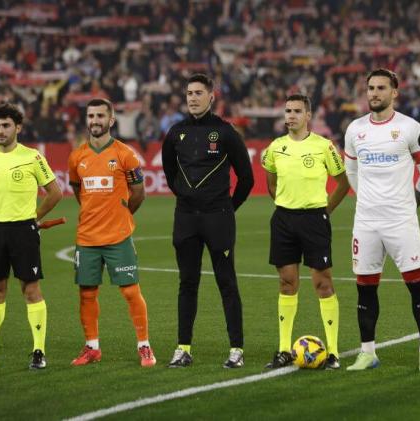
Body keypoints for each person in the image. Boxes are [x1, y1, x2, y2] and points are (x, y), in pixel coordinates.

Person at [343, 68, 420, 371]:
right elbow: (351, 171)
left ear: (394, 92)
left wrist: (414, 200)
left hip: (401, 221)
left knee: (416, 285)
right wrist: (366, 199)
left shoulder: (409, 128)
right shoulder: (355, 129)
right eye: (370, 87)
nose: (374, 93)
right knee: (365, 287)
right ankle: (368, 352)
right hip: (367, 222)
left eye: (381, 88)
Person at [162, 74, 254, 368]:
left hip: (218, 219)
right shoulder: (175, 133)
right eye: (189, 93)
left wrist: (227, 208)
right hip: (186, 220)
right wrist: (188, 199)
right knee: (187, 283)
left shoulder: (225, 132)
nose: (192, 98)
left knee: (226, 283)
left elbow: (247, 179)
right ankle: (183, 348)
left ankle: (236, 350)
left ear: (211, 97)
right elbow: (170, 174)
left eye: (198, 93)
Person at [0, 103, 62, 369]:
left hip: (24, 231)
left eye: (6, 125)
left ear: (17, 127)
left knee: (30, 289)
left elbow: (55, 193)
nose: (0, 130)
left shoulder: (33, 157)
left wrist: (35, 217)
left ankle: (39, 352)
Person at [261, 94, 349, 370]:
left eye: (297, 111)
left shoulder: (324, 147)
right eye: (288, 111)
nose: (291, 116)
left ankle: (333, 352)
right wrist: (285, 205)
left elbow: (343, 183)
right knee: (287, 283)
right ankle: (284, 349)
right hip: (284, 220)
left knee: (323, 283)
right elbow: (271, 183)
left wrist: (325, 211)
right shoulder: (275, 148)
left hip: (315, 219)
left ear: (308, 115)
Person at [67, 98, 156, 367]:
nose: (94, 120)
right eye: (91, 115)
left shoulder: (125, 154)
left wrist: (123, 214)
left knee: (131, 292)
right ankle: (92, 347)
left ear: (111, 120)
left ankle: (144, 346)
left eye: (100, 116)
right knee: (86, 293)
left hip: (119, 237)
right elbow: (77, 192)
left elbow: (139, 192)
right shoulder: (77, 157)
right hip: (87, 238)